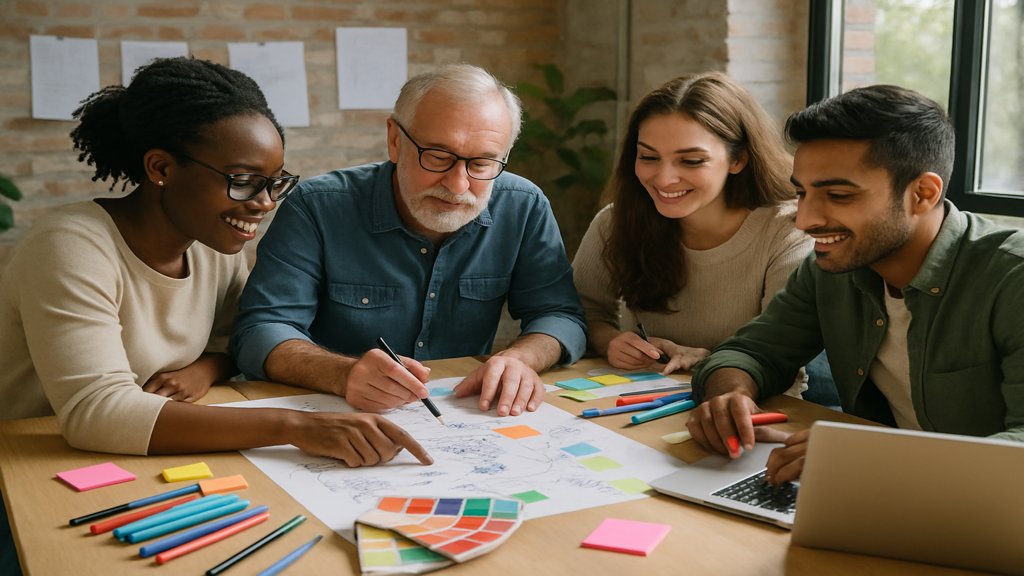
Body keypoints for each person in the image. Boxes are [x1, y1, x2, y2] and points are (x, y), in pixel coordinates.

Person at [0, 57, 429, 467]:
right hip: (32, 469)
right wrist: (297, 426)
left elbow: (236, 340)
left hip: (136, 458)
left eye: (274, 183)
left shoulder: (210, 246)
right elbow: (95, 411)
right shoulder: (70, 247)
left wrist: (205, 368)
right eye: (244, 182)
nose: (264, 204)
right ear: (161, 167)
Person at [686, 84, 1024, 484]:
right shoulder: (830, 270)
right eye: (802, 193)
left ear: (923, 194)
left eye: (839, 195)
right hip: (877, 491)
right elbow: (750, 351)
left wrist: (868, 455)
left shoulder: (1011, 277)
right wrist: (730, 397)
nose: (805, 220)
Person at [229, 63, 586, 418]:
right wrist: (342, 373)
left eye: (481, 164)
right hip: (337, 416)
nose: (457, 185)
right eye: (438, 156)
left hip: (465, 416)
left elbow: (559, 315)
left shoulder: (524, 206)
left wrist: (520, 358)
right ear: (395, 141)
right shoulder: (317, 207)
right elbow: (260, 331)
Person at [572, 72, 813, 386]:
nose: (664, 178)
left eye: (691, 161)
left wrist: (710, 360)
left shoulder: (789, 231)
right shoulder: (615, 221)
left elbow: (779, 350)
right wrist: (611, 340)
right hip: (639, 396)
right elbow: (580, 310)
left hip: (755, 403)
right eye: (648, 157)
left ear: (738, 159)